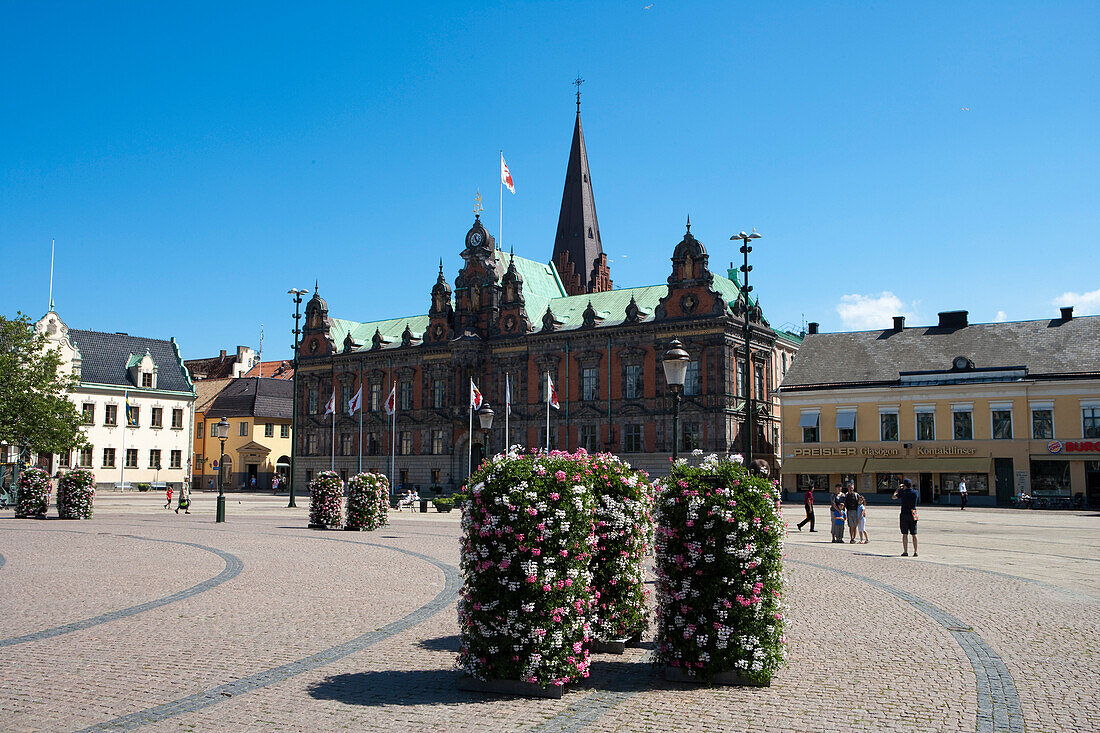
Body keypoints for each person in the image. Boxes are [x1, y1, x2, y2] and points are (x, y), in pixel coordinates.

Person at [893, 478, 919, 557]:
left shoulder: (903, 493)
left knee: (904, 534)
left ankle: (905, 551)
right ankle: (915, 551)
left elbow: (894, 497)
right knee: (914, 533)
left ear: (904, 485)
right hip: (913, 513)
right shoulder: (915, 492)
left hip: (904, 513)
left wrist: (899, 489)